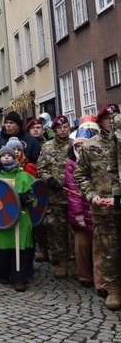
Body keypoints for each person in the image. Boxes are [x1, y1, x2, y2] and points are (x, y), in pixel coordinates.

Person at [75, 103, 121, 310]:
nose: (112, 121)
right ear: (101, 121)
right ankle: (113, 289)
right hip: (103, 207)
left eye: (115, 117)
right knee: (108, 249)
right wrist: (91, 195)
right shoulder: (90, 146)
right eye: (108, 118)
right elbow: (80, 175)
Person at [0, 146, 34, 292]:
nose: (6, 157)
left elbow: (34, 194)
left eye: (9, 155)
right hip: (0, 218)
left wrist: (25, 198)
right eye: (3, 155)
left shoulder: (24, 176)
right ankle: (4, 273)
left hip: (21, 219)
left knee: (20, 248)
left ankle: (20, 278)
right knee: (3, 249)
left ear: (15, 158)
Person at [65, 126, 102, 293]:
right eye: (78, 146)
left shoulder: (98, 161)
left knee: (99, 248)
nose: (80, 149)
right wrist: (78, 213)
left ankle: (101, 282)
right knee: (82, 245)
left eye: (83, 145)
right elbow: (73, 192)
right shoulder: (71, 164)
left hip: (97, 208)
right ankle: (84, 276)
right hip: (79, 210)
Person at [36, 114, 73, 277]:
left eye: (65, 127)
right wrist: (49, 179)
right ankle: (62, 261)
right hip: (54, 196)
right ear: (54, 130)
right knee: (57, 231)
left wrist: (70, 183)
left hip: (73, 196)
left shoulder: (75, 145)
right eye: (59, 127)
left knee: (73, 231)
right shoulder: (47, 147)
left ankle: (76, 262)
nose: (63, 130)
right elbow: (41, 168)